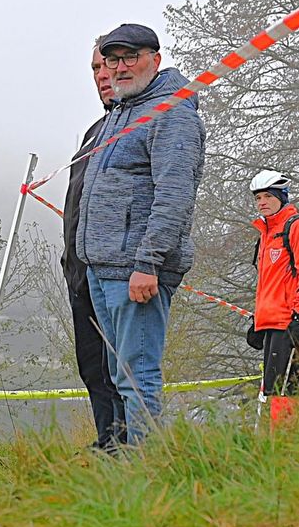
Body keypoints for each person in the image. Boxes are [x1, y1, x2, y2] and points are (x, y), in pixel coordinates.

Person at [75, 23, 206, 445]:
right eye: (112, 59)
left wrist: (148, 262)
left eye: (130, 57)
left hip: (136, 271)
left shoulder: (172, 113)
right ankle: (128, 462)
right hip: (103, 268)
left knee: (138, 377)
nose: (120, 67)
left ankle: (149, 467)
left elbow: (174, 195)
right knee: (120, 376)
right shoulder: (122, 112)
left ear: (155, 59)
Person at [62, 37, 125, 451]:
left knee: (123, 367)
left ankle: (132, 444)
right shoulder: (93, 132)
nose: (102, 76)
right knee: (92, 366)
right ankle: (108, 442)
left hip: (116, 267)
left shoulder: (142, 122)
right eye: (95, 69)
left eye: (108, 66)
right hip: (80, 270)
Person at [248, 171, 299, 405]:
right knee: (273, 395)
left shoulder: (298, 226)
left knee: (286, 395)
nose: (262, 202)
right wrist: (258, 320)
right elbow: (269, 283)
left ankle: (287, 431)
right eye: (258, 198)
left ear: (282, 197)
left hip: (292, 323)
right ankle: (277, 430)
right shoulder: (267, 233)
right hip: (273, 323)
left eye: (268, 196)